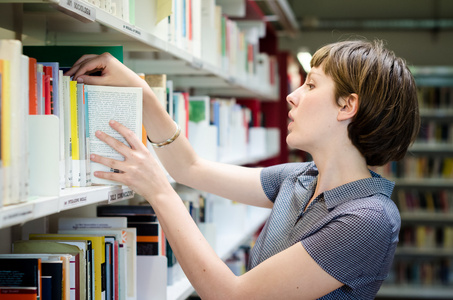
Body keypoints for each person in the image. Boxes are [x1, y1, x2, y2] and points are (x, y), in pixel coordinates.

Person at [66, 39, 420, 299]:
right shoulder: (299, 179)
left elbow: (232, 296)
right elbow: (191, 168)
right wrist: (142, 93)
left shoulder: (368, 218)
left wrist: (159, 190)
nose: (292, 96)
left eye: (311, 85)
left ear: (347, 106)